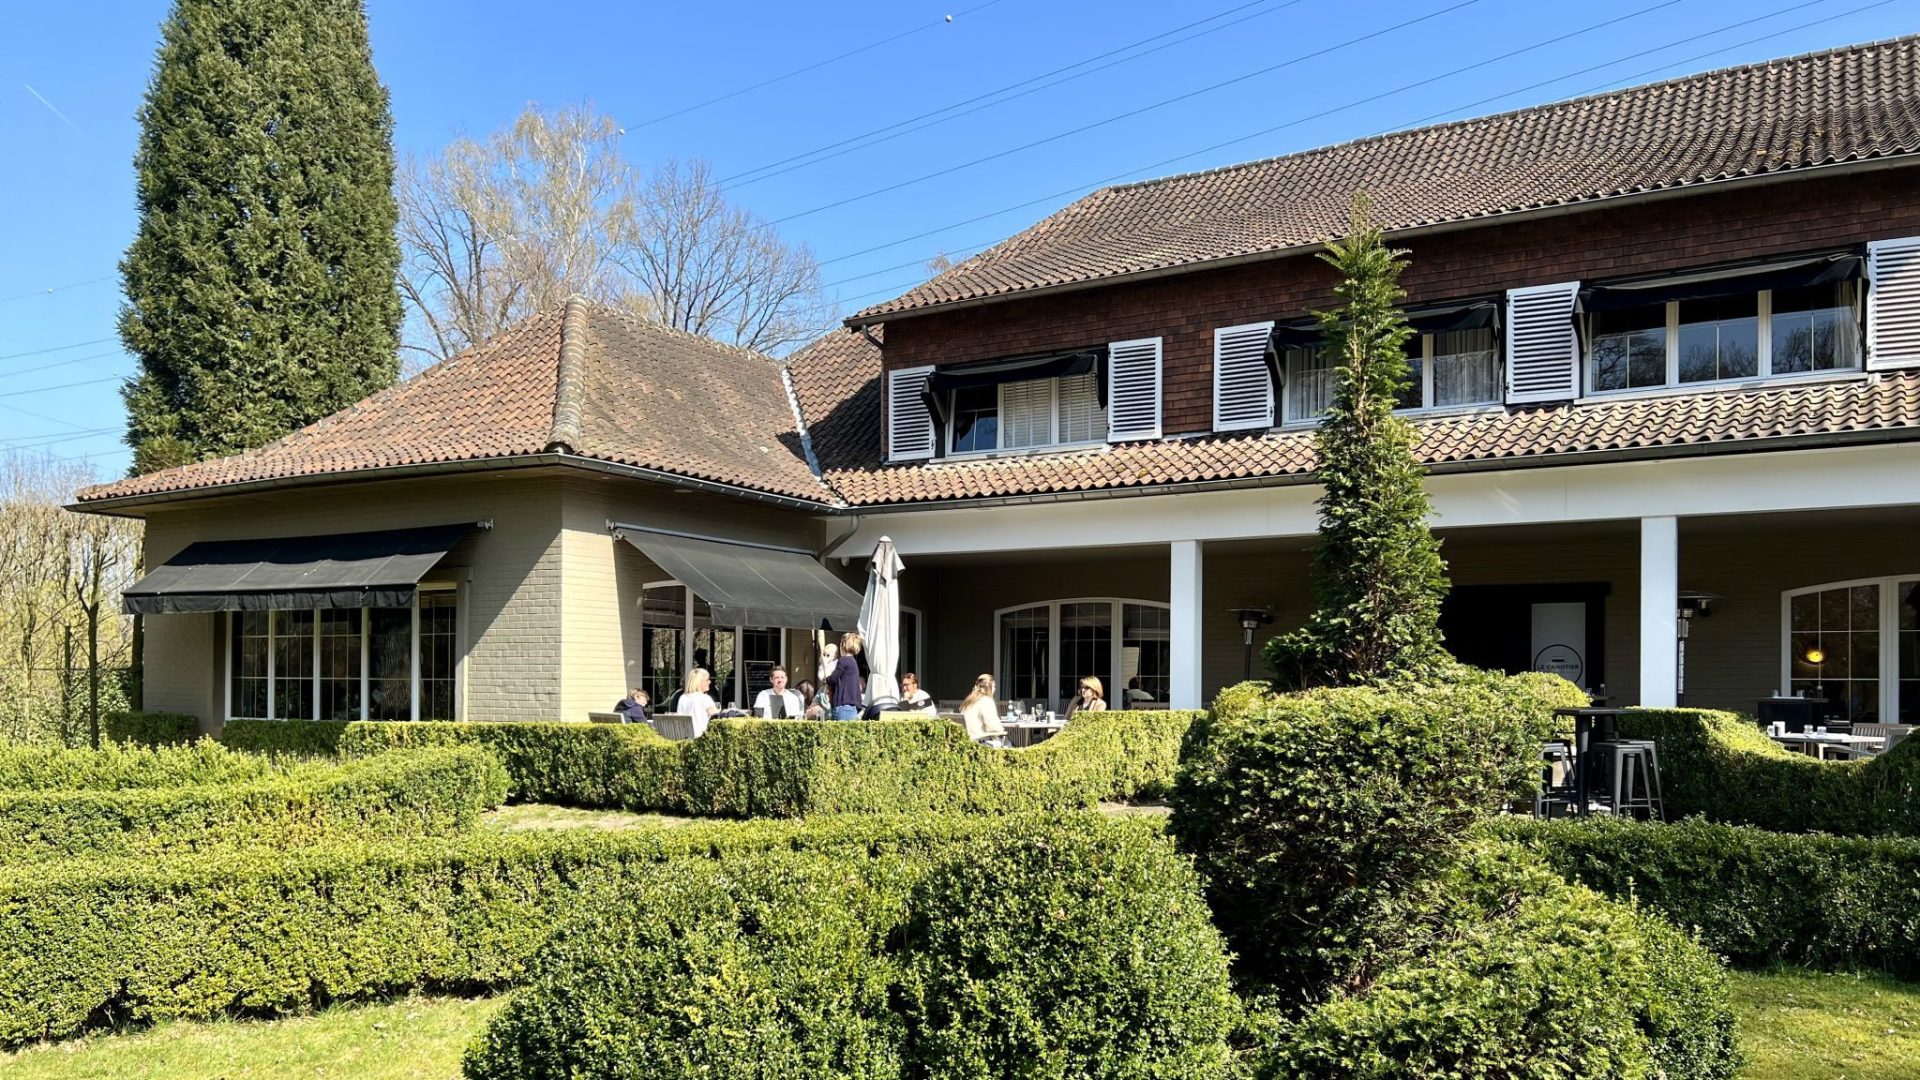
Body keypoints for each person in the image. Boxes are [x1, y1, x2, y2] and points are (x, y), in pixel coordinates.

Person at [960, 673, 1007, 747]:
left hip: (966, 742)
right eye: (994, 686)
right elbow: (994, 727)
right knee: (1009, 744)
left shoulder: (968, 701)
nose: (995, 689)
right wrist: (1002, 731)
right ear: (989, 687)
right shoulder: (986, 701)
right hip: (980, 743)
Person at [826, 631, 864, 721]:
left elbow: (833, 679)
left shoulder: (843, 660)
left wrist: (826, 679)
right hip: (853, 707)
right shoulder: (853, 662)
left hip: (842, 706)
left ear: (842, 645)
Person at [675, 667, 719, 738]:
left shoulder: (683, 698)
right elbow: (716, 718)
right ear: (699, 682)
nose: (710, 682)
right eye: (707, 680)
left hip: (684, 739)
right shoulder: (705, 698)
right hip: (701, 740)